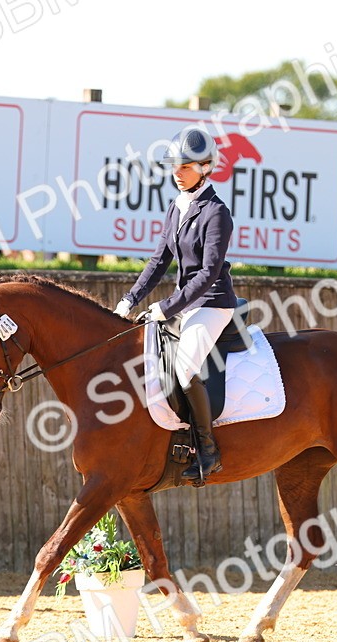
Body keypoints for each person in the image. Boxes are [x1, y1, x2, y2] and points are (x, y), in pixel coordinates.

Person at [114, 126, 238, 484]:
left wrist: (165, 308)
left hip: (213, 303)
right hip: (186, 303)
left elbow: (209, 273)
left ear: (205, 168)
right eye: (174, 166)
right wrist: (129, 299)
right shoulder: (177, 206)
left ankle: (209, 452)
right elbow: (158, 261)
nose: (176, 173)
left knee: (184, 369)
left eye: (184, 167)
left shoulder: (217, 213)